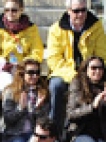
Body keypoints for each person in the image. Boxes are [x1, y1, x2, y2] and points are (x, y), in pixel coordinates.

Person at [45, 0, 106, 131]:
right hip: (64, 74)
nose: (80, 14)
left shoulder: (96, 27)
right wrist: (76, 76)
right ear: (68, 11)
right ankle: (52, 130)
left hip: (90, 72)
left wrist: (88, 74)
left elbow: (101, 55)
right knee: (55, 86)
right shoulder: (56, 29)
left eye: (83, 10)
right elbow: (54, 60)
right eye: (76, 11)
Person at [0, 0, 45, 93]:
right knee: (9, 87)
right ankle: (10, 107)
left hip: (24, 69)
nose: (10, 13)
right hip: (3, 69)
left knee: (26, 86)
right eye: (7, 10)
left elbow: (37, 51)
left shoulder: (32, 29)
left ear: (21, 10)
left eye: (14, 10)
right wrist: (3, 64)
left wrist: (25, 64)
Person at [1, 58, 50, 142]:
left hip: (34, 134)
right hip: (14, 134)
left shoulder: (42, 92)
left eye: (37, 72)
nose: (35, 76)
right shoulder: (11, 91)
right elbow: (8, 120)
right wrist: (21, 109)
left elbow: (44, 123)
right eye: (31, 72)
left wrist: (37, 108)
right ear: (22, 74)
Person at [66, 56, 106, 142]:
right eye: (93, 68)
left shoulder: (104, 87)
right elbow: (71, 114)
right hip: (81, 134)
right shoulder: (78, 85)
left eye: (100, 68)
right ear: (86, 70)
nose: (97, 71)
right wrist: (93, 106)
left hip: (101, 135)